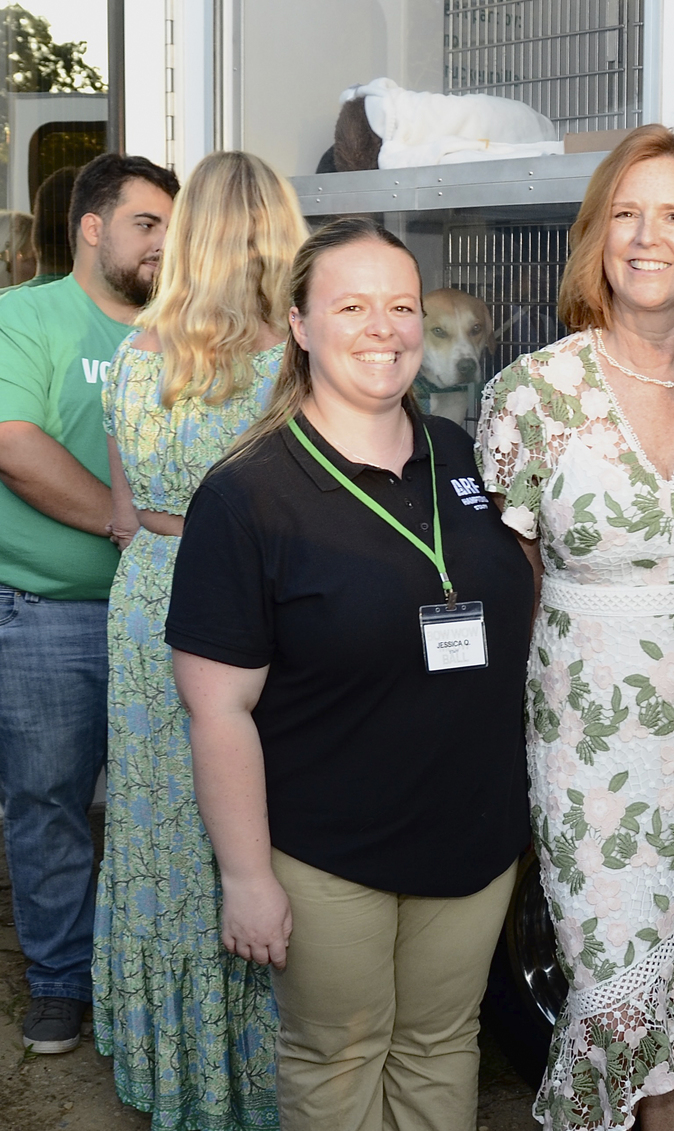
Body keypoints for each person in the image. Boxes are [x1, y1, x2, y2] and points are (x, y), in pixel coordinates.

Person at [166, 217, 532, 1131]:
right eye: (352, 306)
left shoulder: (460, 454)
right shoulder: (248, 493)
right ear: (297, 323)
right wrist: (247, 876)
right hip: (330, 849)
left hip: (473, 835)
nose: (385, 328)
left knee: (443, 1042)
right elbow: (218, 708)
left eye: (402, 306)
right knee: (338, 1056)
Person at [475, 124, 674, 1131]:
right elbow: (517, 591)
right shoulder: (531, 395)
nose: (648, 237)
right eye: (625, 215)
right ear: (597, 236)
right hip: (592, 750)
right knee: (610, 995)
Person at [93, 150, 307, 1129]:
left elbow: (128, 512)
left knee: (157, 836)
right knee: (252, 830)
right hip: (247, 606)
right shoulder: (285, 363)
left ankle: (170, 1070)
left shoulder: (137, 353)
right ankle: (256, 1079)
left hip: (146, 602)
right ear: (277, 232)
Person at [0, 152, 178, 1055]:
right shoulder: (23, 316)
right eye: (147, 224)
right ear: (93, 226)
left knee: (168, 800)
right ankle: (63, 978)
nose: (163, 244)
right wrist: (128, 526)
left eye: (172, 227)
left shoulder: (190, 332)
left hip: (174, 619)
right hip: (51, 610)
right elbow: (14, 443)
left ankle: (153, 982)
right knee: (52, 799)